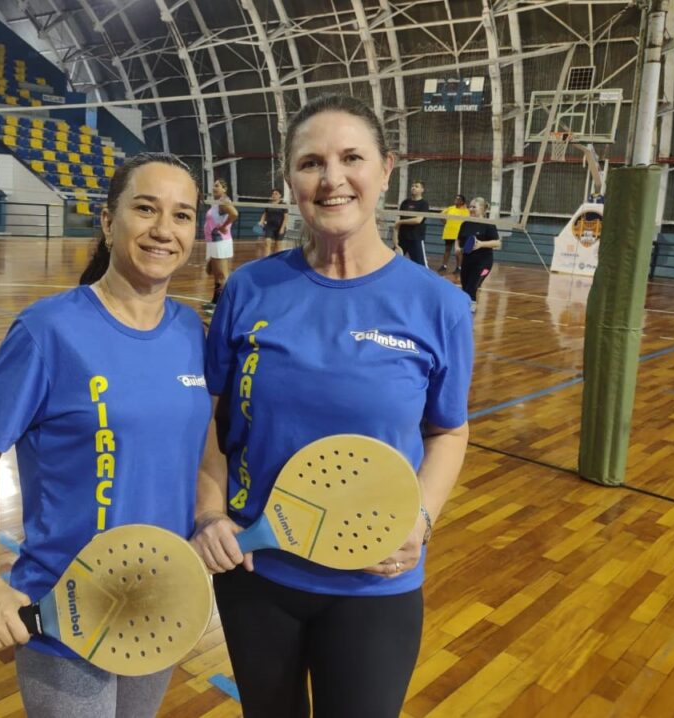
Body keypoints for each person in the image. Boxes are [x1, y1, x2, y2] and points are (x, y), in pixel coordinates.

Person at [191, 94, 473, 718]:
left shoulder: (440, 306)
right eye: (312, 162)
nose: (332, 178)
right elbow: (208, 420)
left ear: (386, 169)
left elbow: (449, 432)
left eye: (352, 158)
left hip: (374, 582)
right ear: (290, 179)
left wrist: (421, 520)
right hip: (256, 572)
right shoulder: (248, 289)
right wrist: (209, 513)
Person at [0, 152, 211, 718]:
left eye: (182, 215)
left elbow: (200, 448)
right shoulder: (48, 329)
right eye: (146, 209)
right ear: (108, 221)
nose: (164, 230)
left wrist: (211, 515)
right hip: (67, 608)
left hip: (159, 598)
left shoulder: (192, 332)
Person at [456, 196, 502, 313]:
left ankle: (470, 309)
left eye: (474, 207)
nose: (471, 209)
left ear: (482, 209)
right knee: (465, 286)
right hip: (467, 261)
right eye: (470, 207)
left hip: (484, 263)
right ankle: (466, 307)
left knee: (472, 286)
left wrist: (481, 244)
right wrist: (457, 248)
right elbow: (458, 238)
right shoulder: (465, 224)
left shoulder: (488, 224)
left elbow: (497, 243)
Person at [201, 179, 238, 313]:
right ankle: (215, 302)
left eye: (217, 186)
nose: (214, 188)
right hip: (212, 241)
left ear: (224, 189)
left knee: (222, 275)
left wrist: (223, 226)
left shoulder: (224, 201)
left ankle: (223, 306)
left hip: (220, 241)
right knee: (216, 274)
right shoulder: (217, 202)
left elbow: (234, 213)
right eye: (214, 185)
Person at [393, 179, 429, 267]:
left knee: (421, 266)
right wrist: (395, 240)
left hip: (415, 239)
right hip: (402, 239)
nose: (413, 188)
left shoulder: (424, 204)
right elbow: (396, 222)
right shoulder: (405, 203)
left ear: (422, 190)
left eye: (416, 186)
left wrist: (401, 222)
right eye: (412, 186)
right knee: (392, 263)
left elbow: (418, 220)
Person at [438, 193, 468, 274]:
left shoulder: (465, 211)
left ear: (462, 202)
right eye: (456, 198)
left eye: (458, 199)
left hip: (459, 234)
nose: (456, 200)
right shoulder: (450, 208)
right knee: (447, 249)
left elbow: (468, 221)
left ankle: (459, 267)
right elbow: (441, 215)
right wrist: (445, 223)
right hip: (449, 232)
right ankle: (444, 266)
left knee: (457, 251)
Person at [258, 188, 288, 253]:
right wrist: (261, 221)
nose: (274, 195)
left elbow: (286, 218)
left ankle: (277, 258)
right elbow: (265, 213)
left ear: (280, 195)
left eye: (276, 194)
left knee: (278, 245)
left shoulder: (283, 204)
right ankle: (267, 258)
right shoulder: (268, 203)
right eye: (273, 194)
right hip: (269, 226)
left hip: (279, 226)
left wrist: (282, 228)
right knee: (267, 243)